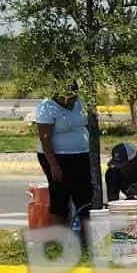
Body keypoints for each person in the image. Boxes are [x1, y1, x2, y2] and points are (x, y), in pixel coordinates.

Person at [34, 82, 93, 228]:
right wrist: (53, 165)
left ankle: (86, 240)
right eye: (68, 98)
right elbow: (45, 138)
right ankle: (60, 239)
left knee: (84, 196)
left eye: (74, 97)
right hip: (57, 157)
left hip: (81, 155)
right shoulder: (47, 107)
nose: (72, 101)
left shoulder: (80, 103)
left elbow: (86, 126)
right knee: (61, 196)